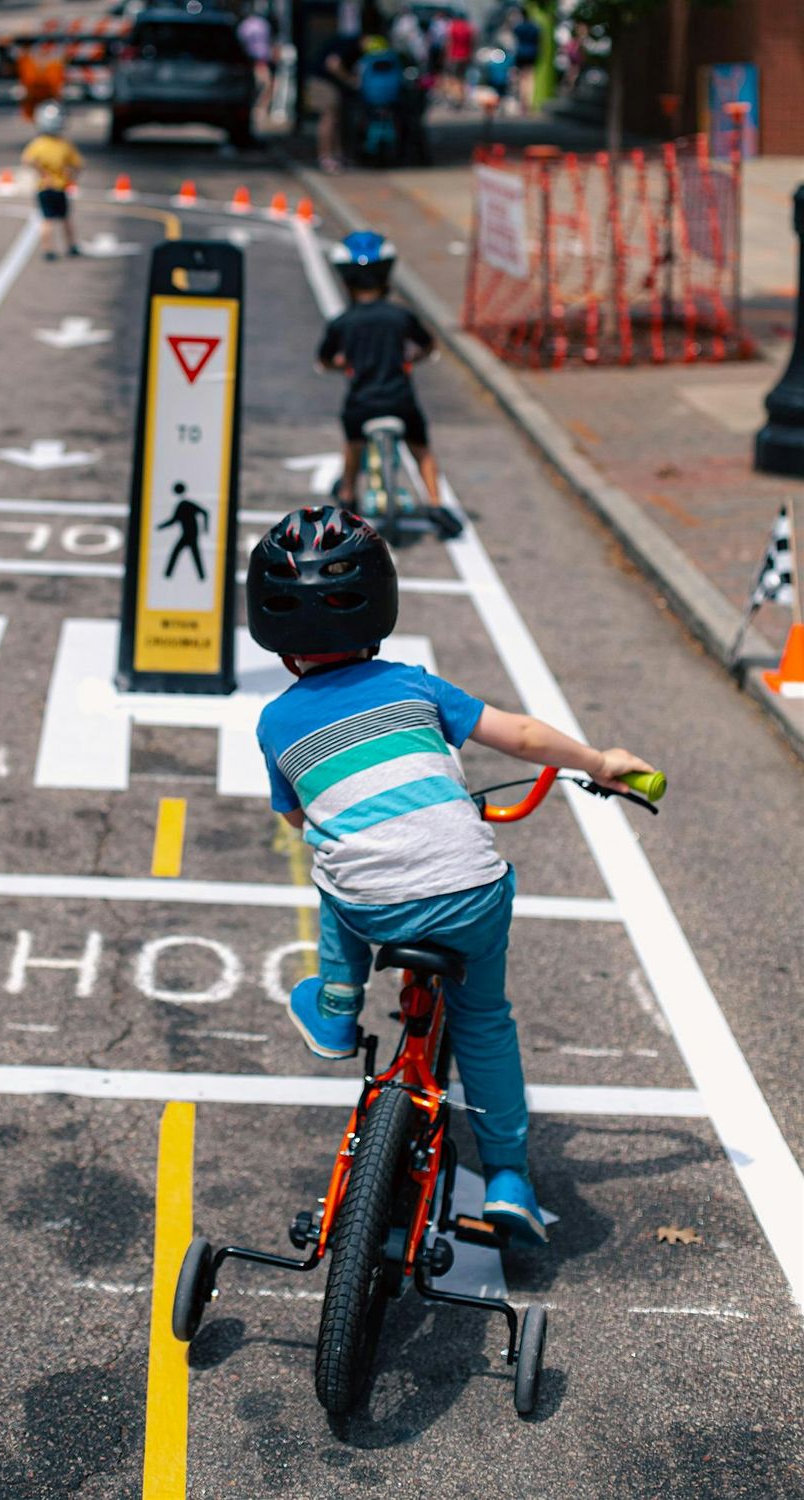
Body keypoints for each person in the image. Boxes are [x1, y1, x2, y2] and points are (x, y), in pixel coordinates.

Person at [247, 505, 654, 1242]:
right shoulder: (418, 688)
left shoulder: (276, 724)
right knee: (485, 1020)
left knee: (335, 869)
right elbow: (524, 736)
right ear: (379, 611)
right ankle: (507, 1179)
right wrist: (600, 764)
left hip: (371, 910)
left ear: (276, 642)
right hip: (467, 897)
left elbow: (299, 817)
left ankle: (338, 1009)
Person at [317, 230, 440, 506]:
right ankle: (436, 502)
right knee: (421, 448)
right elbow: (428, 346)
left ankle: (348, 491)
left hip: (363, 403)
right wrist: (414, 358)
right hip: (400, 400)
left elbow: (324, 359)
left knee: (353, 443)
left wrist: (339, 364)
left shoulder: (343, 322)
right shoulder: (401, 316)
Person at [21, 100, 81, 262]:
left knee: (47, 220)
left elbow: (27, 159)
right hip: (59, 188)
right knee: (65, 219)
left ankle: (48, 249)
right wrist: (71, 176)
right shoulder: (64, 145)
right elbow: (78, 164)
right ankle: (71, 246)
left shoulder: (38, 144)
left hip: (44, 188)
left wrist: (42, 173)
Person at [306, 31, 361, 174]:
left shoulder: (350, 42)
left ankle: (336, 155)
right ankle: (326, 157)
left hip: (329, 82)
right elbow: (333, 64)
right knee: (329, 118)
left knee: (336, 118)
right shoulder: (350, 44)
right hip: (322, 81)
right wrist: (349, 79)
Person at [511, 6, 540, 113]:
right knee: (530, 78)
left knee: (521, 79)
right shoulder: (534, 27)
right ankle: (529, 102)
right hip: (532, 53)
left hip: (521, 53)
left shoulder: (519, 27)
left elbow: (514, 32)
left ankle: (523, 102)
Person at [443, 10, 474, 106]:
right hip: (465, 56)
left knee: (454, 77)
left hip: (455, 56)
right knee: (462, 77)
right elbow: (472, 42)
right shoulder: (468, 28)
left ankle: (456, 98)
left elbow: (449, 42)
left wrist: (447, 55)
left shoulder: (453, 27)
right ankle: (461, 97)